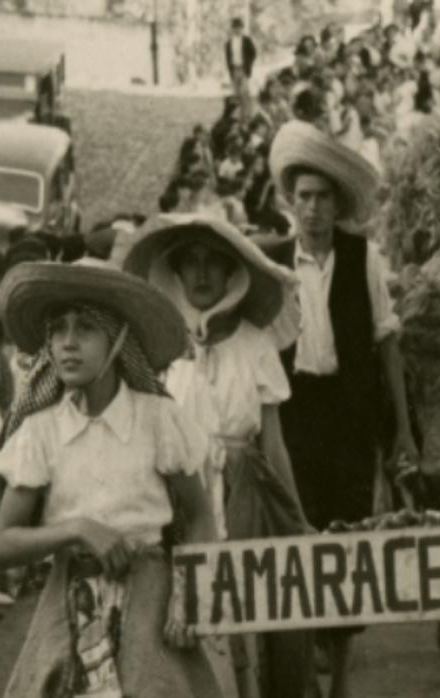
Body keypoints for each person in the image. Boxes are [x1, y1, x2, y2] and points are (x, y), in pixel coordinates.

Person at [0, 260, 222, 697]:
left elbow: (202, 517)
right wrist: (75, 529)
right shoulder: (42, 431)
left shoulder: (158, 419)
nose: (67, 344)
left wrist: (189, 597)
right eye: (57, 330)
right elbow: (1, 546)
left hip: (150, 600)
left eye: (85, 329)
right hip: (68, 602)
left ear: (117, 341)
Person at [119, 214, 314, 698]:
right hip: (178, 499)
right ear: (178, 275)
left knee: (243, 606)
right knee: (182, 609)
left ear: (232, 276)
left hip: (244, 492)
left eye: (214, 264)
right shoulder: (161, 346)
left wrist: (295, 516)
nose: (202, 275)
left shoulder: (255, 342)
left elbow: (273, 442)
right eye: (192, 264)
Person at [266, 121, 418, 698]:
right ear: (290, 202)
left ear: (337, 203)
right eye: (303, 197)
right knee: (298, 536)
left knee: (349, 537)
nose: (312, 209)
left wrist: (400, 429)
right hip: (294, 411)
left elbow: (386, 341)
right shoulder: (274, 262)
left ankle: (342, 680)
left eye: (323, 197)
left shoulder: (363, 258)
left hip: (349, 413)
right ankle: (303, 674)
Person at [225, 17, 258, 96]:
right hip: (234, 68)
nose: (237, 30)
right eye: (235, 28)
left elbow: (253, 53)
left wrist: (248, 64)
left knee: (244, 92)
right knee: (236, 92)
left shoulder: (247, 40)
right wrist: (230, 69)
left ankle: (246, 108)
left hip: (244, 68)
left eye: (239, 27)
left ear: (242, 28)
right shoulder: (229, 42)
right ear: (232, 29)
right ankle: (238, 108)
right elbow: (228, 57)